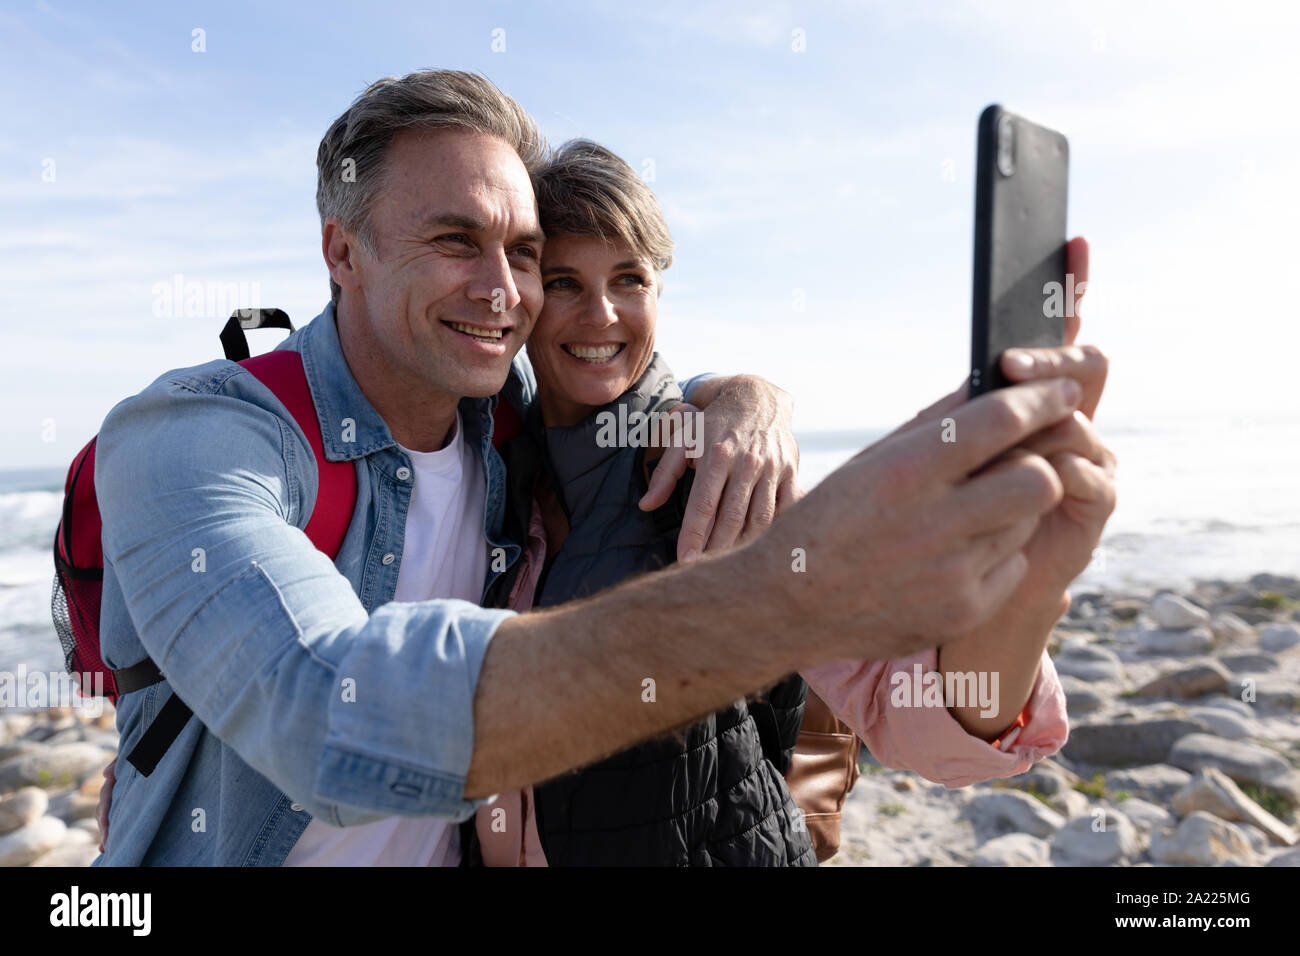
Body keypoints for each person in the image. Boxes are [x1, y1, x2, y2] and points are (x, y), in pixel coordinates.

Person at [92, 70, 1114, 866]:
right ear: (341, 250)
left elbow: (930, 727)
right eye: (456, 240)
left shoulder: (630, 451)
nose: (505, 291)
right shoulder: (201, 433)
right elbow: (325, 721)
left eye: (523, 251)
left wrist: (1025, 592)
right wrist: (785, 593)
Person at [465, 140, 1086, 866]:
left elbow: (920, 714)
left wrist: (1028, 586)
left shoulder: (720, 470)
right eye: (566, 282)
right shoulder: (489, 456)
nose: (600, 314)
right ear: (526, 293)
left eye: (629, 278)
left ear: (659, 291)